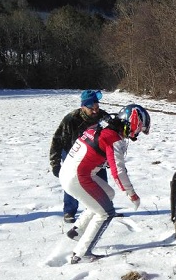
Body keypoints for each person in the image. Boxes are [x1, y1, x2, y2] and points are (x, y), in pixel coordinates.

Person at [59, 104, 151, 264]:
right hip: (78, 177)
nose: (137, 134)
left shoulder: (104, 126)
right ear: (133, 123)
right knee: (106, 212)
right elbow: (119, 172)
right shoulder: (113, 138)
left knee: (108, 194)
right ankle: (82, 253)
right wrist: (132, 194)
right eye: (139, 129)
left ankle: (77, 231)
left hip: (72, 172)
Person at [50, 90, 109, 223]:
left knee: (101, 182)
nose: (95, 111)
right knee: (73, 182)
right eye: (91, 109)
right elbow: (57, 140)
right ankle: (69, 211)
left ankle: (105, 208)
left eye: (97, 107)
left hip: (95, 154)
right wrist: (55, 163)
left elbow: (111, 137)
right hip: (73, 152)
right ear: (83, 107)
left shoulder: (103, 117)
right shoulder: (71, 119)